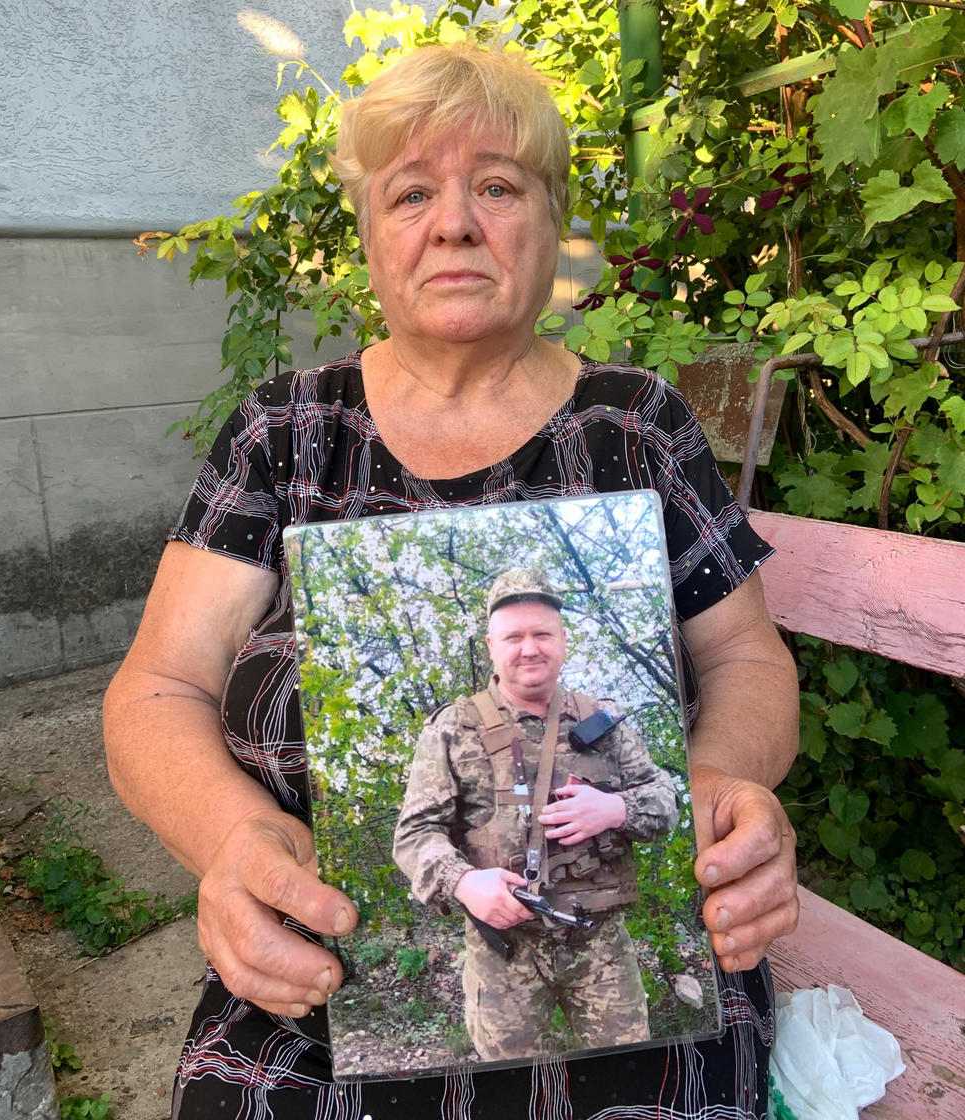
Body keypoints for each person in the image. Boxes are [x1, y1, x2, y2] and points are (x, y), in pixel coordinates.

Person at [103, 39, 800, 1120]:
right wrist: (235, 844)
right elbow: (158, 689)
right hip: (332, 973)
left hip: (632, 964)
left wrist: (713, 791)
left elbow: (745, 658)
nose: (455, 222)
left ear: (552, 224)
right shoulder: (286, 432)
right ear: (372, 237)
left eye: (497, 186)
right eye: (412, 191)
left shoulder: (634, 424)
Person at [393, 567, 680, 1060]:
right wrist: (464, 882)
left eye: (542, 634)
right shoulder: (452, 728)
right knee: (514, 1093)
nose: (530, 648)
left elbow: (666, 802)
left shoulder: (602, 721)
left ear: (563, 641)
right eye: (514, 637)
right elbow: (415, 836)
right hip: (503, 951)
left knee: (625, 1078)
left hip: (599, 944)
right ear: (491, 646)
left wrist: (616, 808)